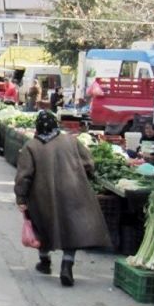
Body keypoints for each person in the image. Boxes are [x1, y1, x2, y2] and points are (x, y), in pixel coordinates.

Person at [14, 111, 111, 287]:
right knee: (71, 228)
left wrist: (21, 197)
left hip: (42, 195)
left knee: (41, 225)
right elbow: (89, 163)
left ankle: (44, 262)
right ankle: (67, 265)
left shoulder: (31, 147)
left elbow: (24, 176)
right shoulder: (71, 141)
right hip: (73, 191)